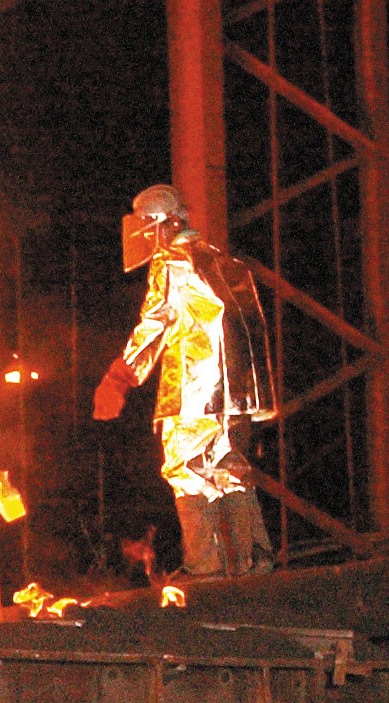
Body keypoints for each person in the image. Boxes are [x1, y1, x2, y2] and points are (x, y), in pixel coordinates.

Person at [94, 184, 277, 576]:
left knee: (185, 471)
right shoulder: (228, 264)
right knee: (231, 471)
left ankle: (204, 566)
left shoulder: (173, 262)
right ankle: (254, 559)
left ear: (158, 225)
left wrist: (119, 378)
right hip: (237, 398)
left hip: (193, 392)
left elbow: (154, 323)